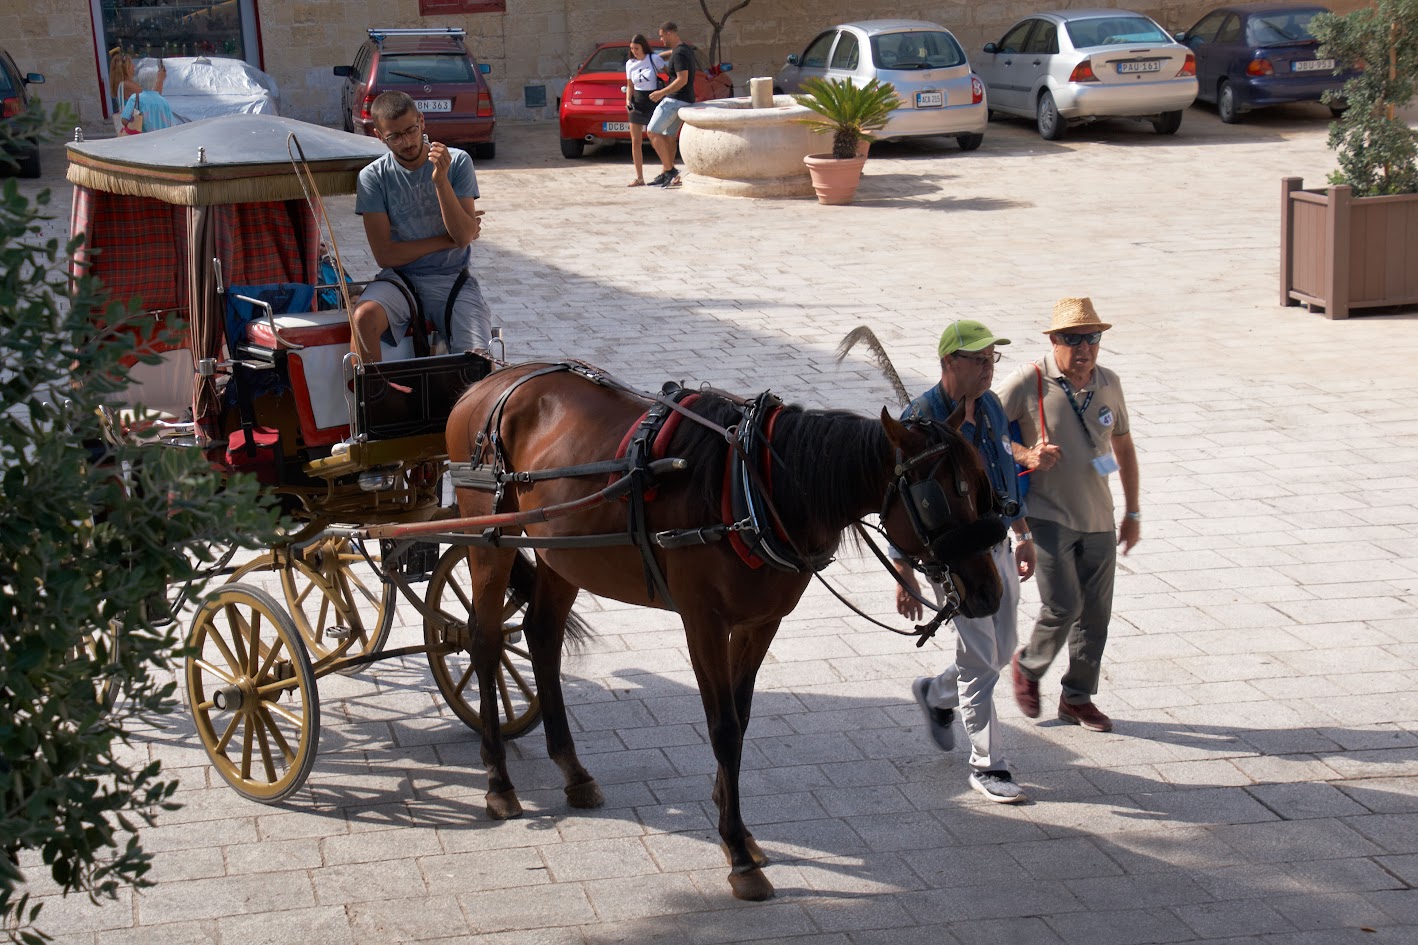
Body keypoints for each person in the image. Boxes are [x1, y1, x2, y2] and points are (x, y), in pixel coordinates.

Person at [894, 320, 1035, 804]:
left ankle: (935, 694)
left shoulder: (992, 407)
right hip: (952, 559)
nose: (988, 369)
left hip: (997, 544)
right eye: (979, 360)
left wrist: (1023, 533)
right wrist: (902, 570)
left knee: (1002, 651)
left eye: (992, 359)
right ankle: (988, 765)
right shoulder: (921, 419)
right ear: (948, 362)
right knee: (981, 661)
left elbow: (1004, 476)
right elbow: (901, 500)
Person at [997, 297, 1141, 734]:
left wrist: (1133, 511)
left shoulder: (1109, 383)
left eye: (1093, 338)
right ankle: (1029, 665)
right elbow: (985, 434)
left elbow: (1125, 449)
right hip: (1045, 515)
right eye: (1075, 339)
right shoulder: (1029, 380)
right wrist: (1027, 453)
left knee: (1096, 613)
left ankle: (1077, 698)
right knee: (1063, 603)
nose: (1085, 349)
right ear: (1055, 340)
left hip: (1098, 514)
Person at [352, 90, 491, 363]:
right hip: (400, 279)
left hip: (453, 278)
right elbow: (385, 255)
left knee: (477, 359)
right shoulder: (373, 177)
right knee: (363, 317)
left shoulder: (457, 161)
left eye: (411, 130)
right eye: (395, 136)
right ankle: (374, 400)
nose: (407, 142)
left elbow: (462, 236)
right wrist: (446, 240)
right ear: (380, 137)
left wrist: (440, 181)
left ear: (422, 122)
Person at [645, 21, 696, 188]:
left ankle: (670, 170)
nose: (661, 40)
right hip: (685, 99)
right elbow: (673, 53)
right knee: (668, 136)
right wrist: (656, 57)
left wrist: (661, 92)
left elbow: (682, 80)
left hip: (674, 100)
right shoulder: (683, 49)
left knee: (652, 131)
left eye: (661, 36)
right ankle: (667, 173)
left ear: (669, 33)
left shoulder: (680, 54)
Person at [624, 34, 668, 187]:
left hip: (653, 101)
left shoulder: (653, 59)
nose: (634, 51)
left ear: (643, 46)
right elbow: (629, 84)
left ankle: (668, 171)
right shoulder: (630, 63)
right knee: (635, 141)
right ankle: (639, 177)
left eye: (637, 48)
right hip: (637, 102)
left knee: (657, 138)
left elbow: (669, 73)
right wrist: (628, 100)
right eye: (632, 49)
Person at [119, 60, 174, 135]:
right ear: (155, 82)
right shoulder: (164, 101)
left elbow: (124, 120)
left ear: (139, 81)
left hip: (143, 141)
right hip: (162, 140)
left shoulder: (135, 99)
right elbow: (172, 124)